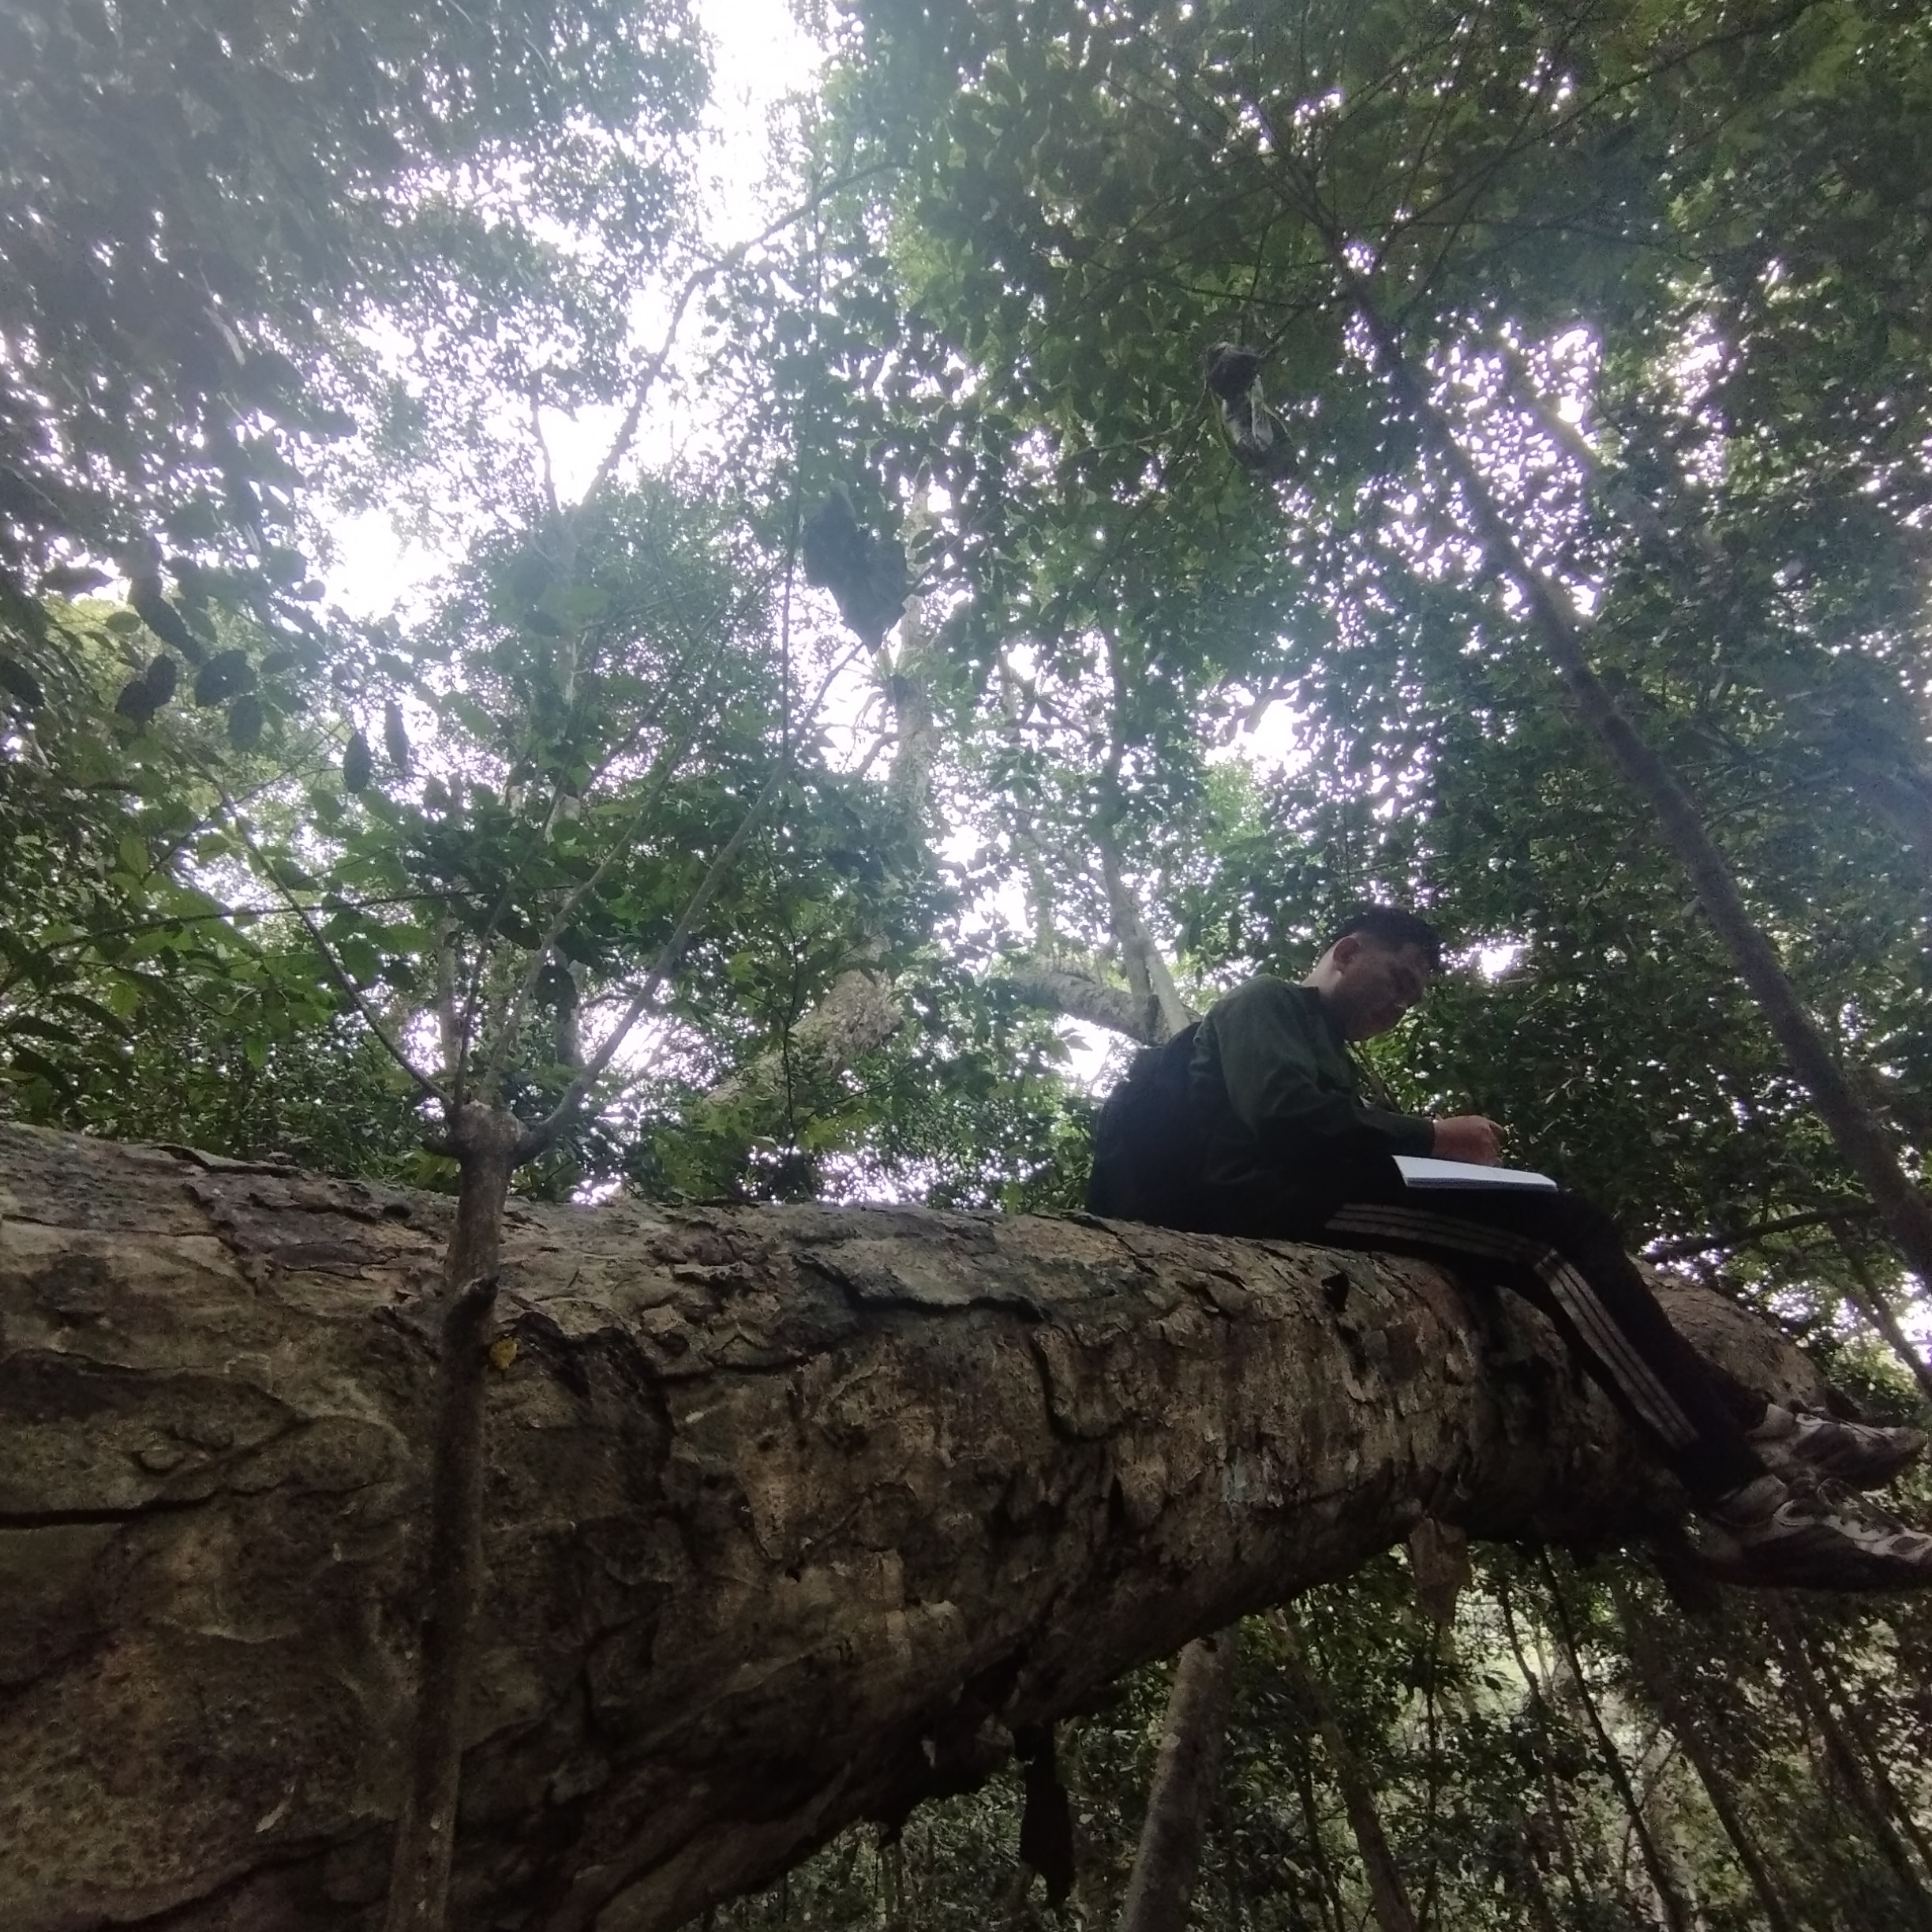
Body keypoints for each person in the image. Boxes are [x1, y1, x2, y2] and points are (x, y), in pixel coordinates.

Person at [1095, 904, 1932, 1588]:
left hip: (1314, 1197)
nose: (1400, 1005)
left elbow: (1321, 1126)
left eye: (1415, 998)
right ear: (1347, 953)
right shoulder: (1270, 1003)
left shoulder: (1332, 1051)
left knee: (1566, 1263)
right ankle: (1754, 1507)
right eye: (1399, 980)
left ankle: (1770, 1423)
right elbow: (1283, 1117)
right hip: (1272, 1208)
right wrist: (1435, 1135)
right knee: (1556, 1242)